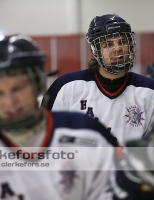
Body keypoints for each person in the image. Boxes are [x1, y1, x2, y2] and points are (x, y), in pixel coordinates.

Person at [0, 34, 121, 200]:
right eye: (0, 93)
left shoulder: (87, 134)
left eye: (18, 89)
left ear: (38, 84)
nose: (10, 103)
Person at [41, 13, 154, 145]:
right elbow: (45, 139)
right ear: (96, 50)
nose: (118, 48)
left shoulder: (152, 92)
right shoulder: (66, 88)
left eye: (122, 42)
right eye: (108, 44)